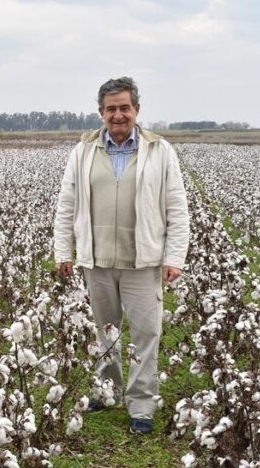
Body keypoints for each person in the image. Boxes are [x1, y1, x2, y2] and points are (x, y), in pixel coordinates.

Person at [53, 76, 190, 435]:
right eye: (111, 109)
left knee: (146, 334)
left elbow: (177, 207)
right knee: (105, 332)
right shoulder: (82, 151)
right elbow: (67, 205)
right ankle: (108, 391)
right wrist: (63, 250)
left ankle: (141, 405)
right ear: (101, 112)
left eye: (124, 108)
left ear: (137, 110)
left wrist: (174, 256)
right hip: (95, 262)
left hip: (142, 263)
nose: (118, 115)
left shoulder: (159, 151)